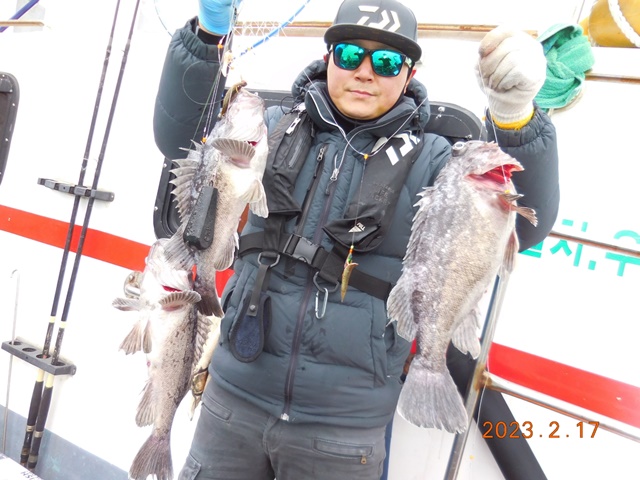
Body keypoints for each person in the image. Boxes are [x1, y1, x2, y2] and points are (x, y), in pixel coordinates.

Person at [153, 1, 560, 479]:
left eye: (386, 62)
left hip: (344, 431)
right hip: (231, 401)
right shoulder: (270, 125)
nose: (365, 72)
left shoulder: (438, 159)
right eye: (349, 55)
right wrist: (206, 36)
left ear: (408, 75)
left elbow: (522, 221)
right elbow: (181, 138)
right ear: (328, 58)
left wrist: (513, 115)